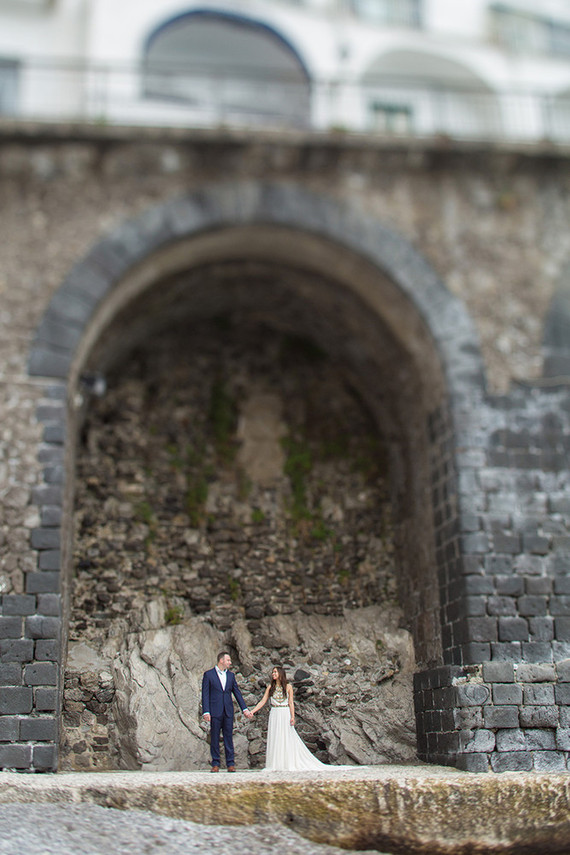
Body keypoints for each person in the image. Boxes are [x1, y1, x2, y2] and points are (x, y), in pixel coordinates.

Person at [250, 665, 327, 771]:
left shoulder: (288, 686)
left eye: (275, 672)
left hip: (284, 711)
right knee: (276, 736)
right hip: (275, 712)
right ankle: (276, 763)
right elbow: (263, 701)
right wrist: (253, 711)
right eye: (273, 672)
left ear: (280, 674)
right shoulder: (270, 687)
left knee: (285, 736)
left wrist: (292, 716)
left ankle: (286, 761)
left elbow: (291, 702)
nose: (273, 674)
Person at [202, 651, 253, 772]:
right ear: (221, 660)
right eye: (228, 660)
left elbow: (237, 693)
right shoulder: (209, 675)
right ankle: (215, 763)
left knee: (228, 737)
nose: (230, 662)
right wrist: (206, 711)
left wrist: (244, 709)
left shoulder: (231, 676)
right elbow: (205, 694)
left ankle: (230, 763)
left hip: (228, 710)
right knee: (214, 737)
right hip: (215, 710)